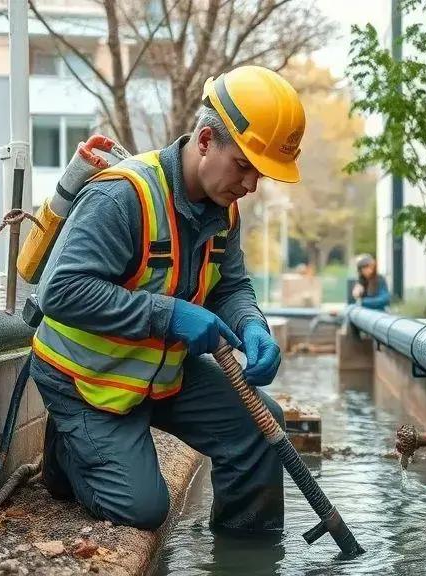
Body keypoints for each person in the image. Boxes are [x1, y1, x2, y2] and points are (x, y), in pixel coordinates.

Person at [29, 65, 306, 534]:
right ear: (204, 141)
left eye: (259, 174)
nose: (250, 185)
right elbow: (61, 290)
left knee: (261, 429)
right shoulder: (123, 195)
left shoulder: (225, 211)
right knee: (143, 509)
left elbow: (230, 287)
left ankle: (245, 554)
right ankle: (65, 455)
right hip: (85, 380)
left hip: (158, 370)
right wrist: (170, 314)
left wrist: (252, 325)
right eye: (244, 166)